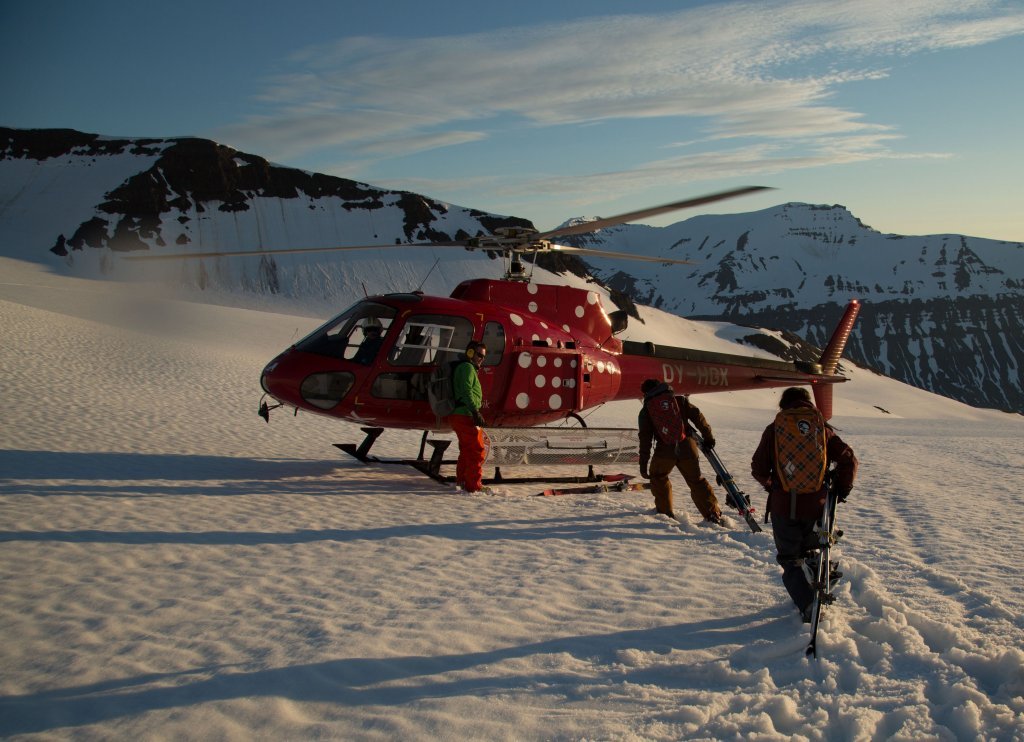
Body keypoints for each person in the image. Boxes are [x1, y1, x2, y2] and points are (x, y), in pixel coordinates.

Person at [750, 387, 858, 622]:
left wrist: (773, 486)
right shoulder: (822, 430)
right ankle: (821, 581)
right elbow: (849, 460)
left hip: (783, 507)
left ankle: (808, 605)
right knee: (815, 549)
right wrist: (840, 490)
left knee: (790, 559)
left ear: (783, 405)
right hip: (816, 507)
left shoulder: (775, 429)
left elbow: (758, 468)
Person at [638, 378, 724, 524]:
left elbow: (645, 439)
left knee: (658, 477)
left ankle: (665, 514)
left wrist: (643, 463)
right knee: (696, 480)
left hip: (665, 450)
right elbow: (698, 417)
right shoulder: (679, 401)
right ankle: (712, 514)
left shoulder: (647, 409)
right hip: (688, 447)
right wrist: (708, 437)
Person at [449, 341, 488, 492]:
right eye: (479, 354)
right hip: (465, 415)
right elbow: (466, 391)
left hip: (460, 415)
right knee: (476, 450)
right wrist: (475, 411)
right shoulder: (467, 368)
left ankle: (463, 482)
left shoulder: (465, 368)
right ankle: (473, 486)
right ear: (470, 353)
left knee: (466, 450)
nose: (481, 359)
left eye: (483, 356)